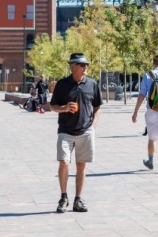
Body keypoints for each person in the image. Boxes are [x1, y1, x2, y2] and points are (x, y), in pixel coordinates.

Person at [49, 53, 102, 213]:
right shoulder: (62, 84)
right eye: (82, 65)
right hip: (65, 130)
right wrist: (64, 108)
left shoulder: (92, 84)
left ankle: (78, 200)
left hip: (85, 131)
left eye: (87, 64)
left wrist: (93, 125)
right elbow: (52, 106)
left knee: (81, 166)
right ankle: (63, 197)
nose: (86, 67)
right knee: (64, 162)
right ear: (73, 66)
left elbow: (97, 106)